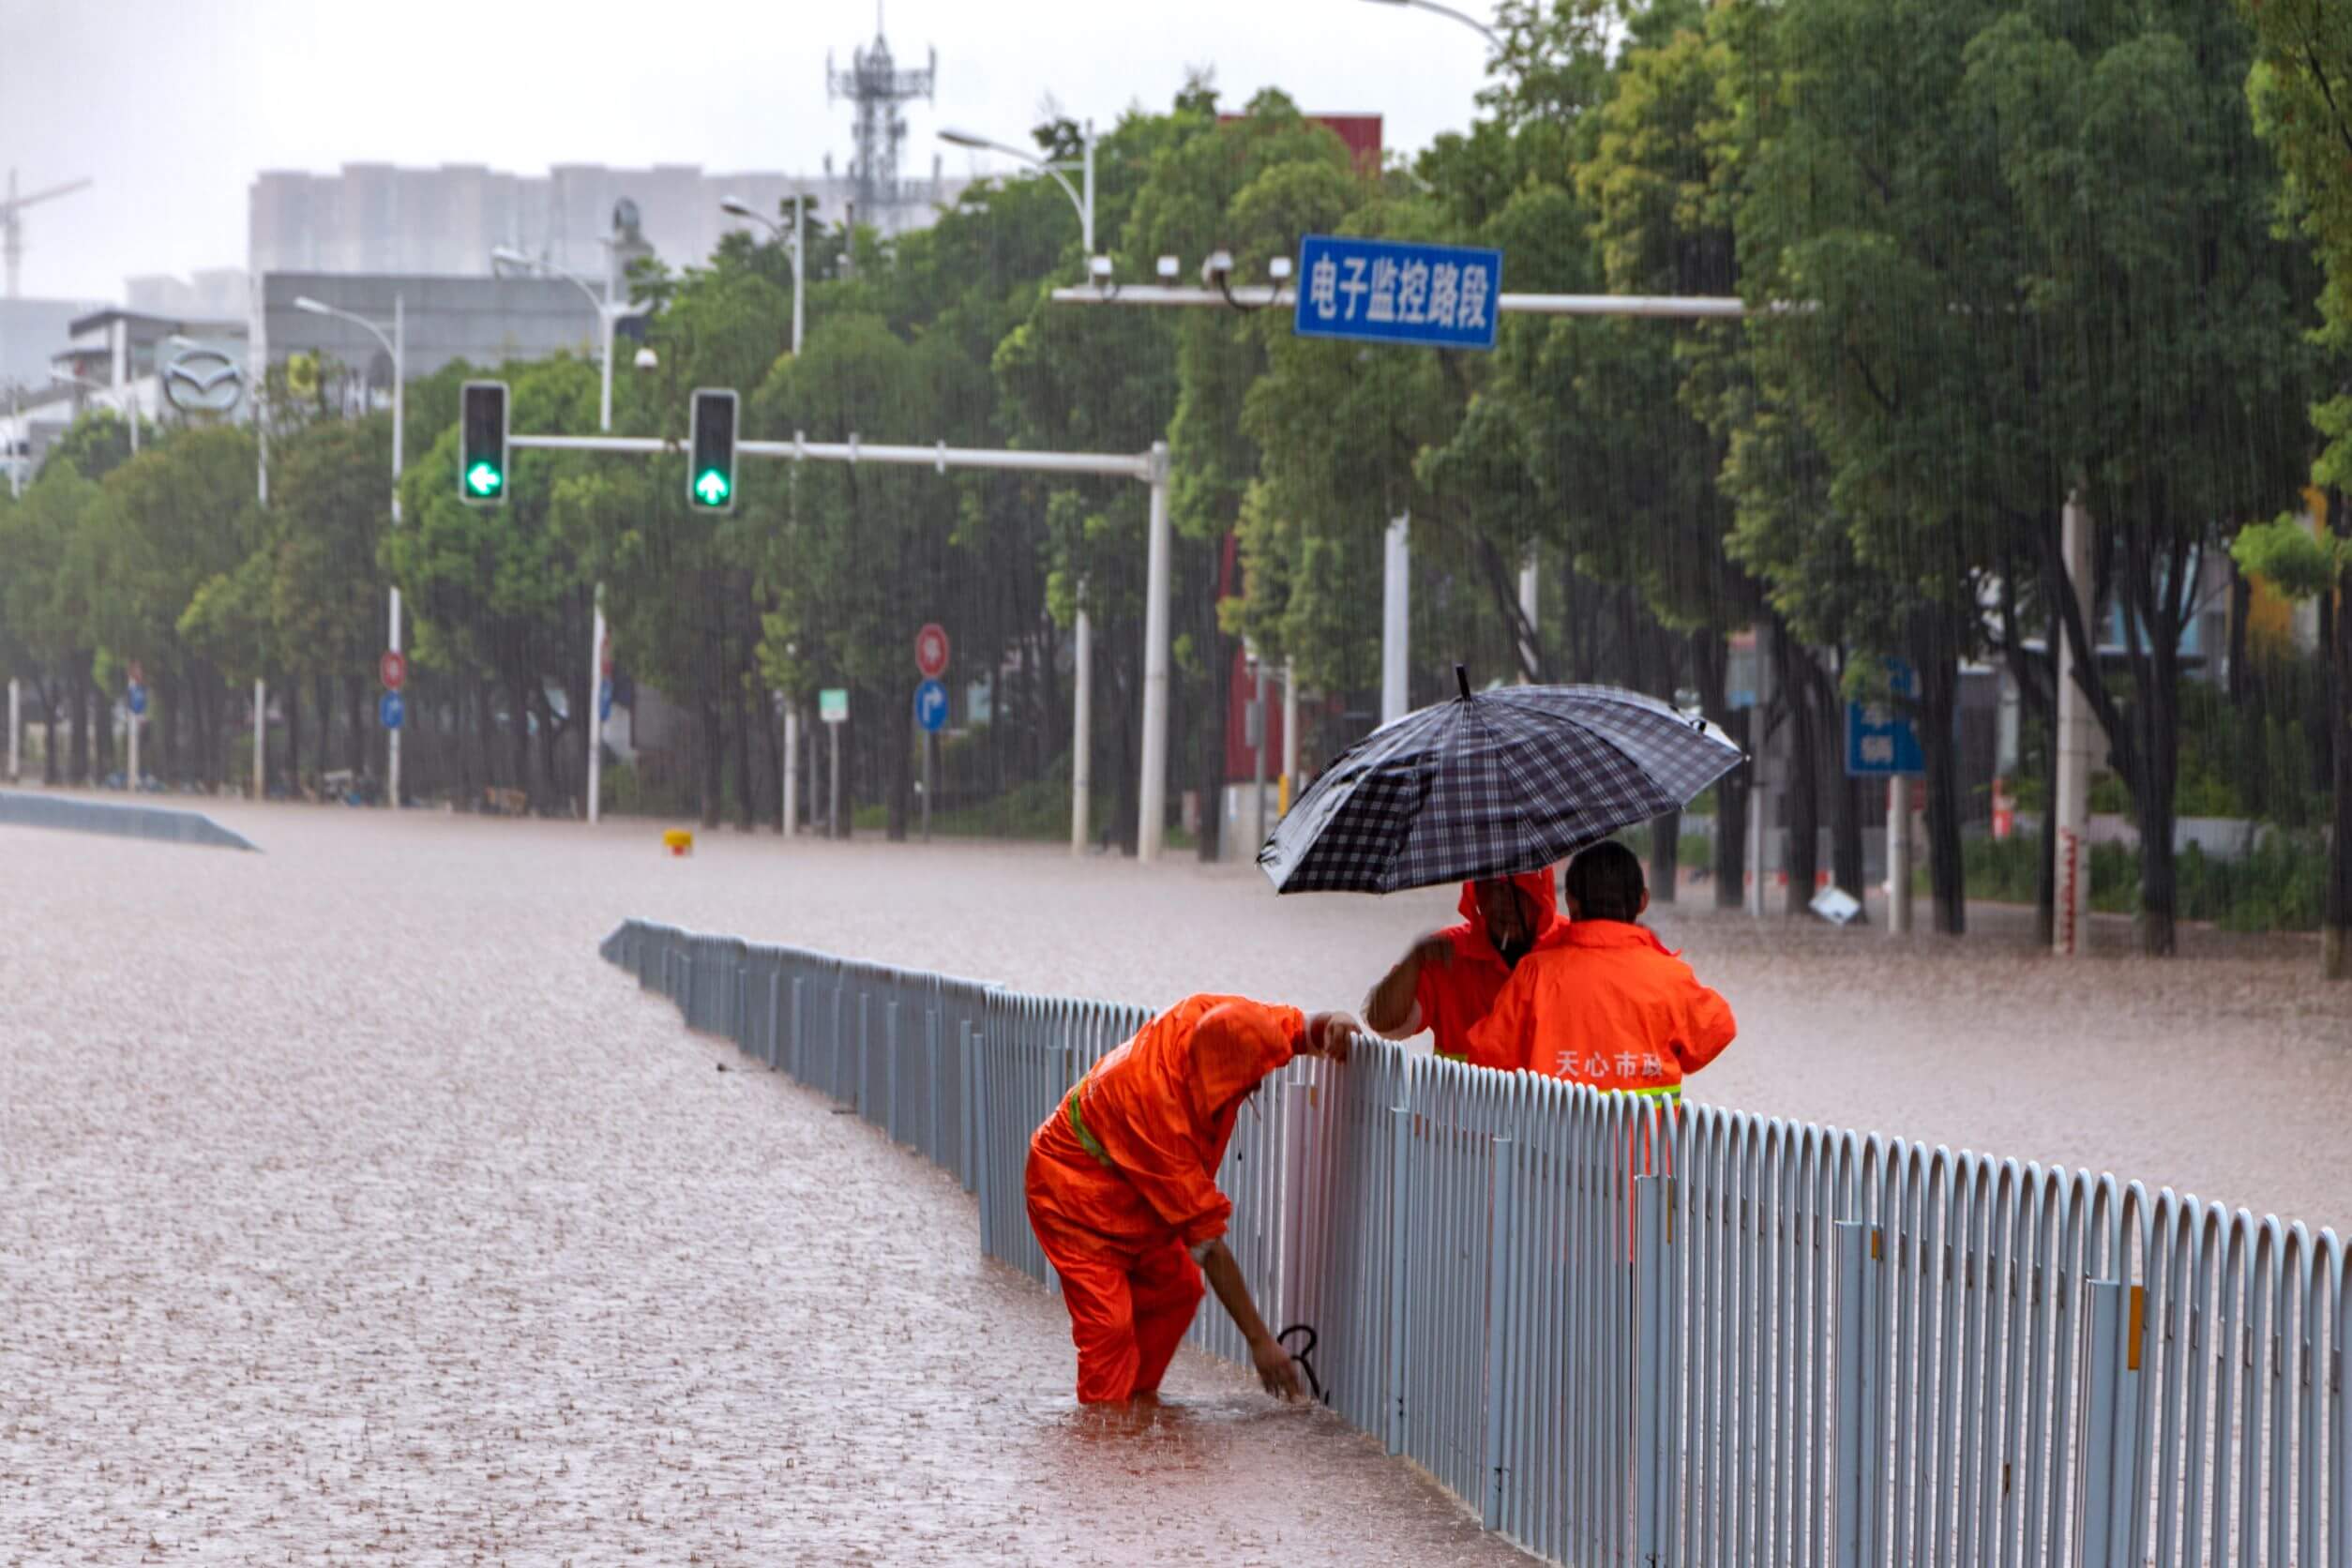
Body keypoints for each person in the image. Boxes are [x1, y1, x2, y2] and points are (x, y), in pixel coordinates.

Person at [1025, 995, 1357, 1407]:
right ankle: (1104, 1436)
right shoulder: (1156, 1108)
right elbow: (1208, 1245)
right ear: (1215, 1076)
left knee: (1177, 1292)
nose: (1255, 1087)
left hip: (1135, 1196)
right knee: (1109, 1330)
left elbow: (1298, 1028)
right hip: (1072, 1198)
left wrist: (1333, 1024)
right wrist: (1260, 1342)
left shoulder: (1222, 1021)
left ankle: (1136, 1406)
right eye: (1244, 1084)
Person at [1466, 841, 1736, 1100]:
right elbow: (1717, 1030)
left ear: (1571, 901)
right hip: (1641, 1149)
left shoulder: (1534, 974)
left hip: (1552, 1147)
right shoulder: (1670, 978)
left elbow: (1485, 1056)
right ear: (1642, 901)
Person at [1362, 868, 1565, 1061]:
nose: (1505, 903)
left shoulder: (1568, 947)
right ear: (1477, 895)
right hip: (1457, 1098)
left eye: (1519, 891)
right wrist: (1414, 962)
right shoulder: (1446, 951)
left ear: (1541, 899)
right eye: (1493, 889)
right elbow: (1382, 1021)